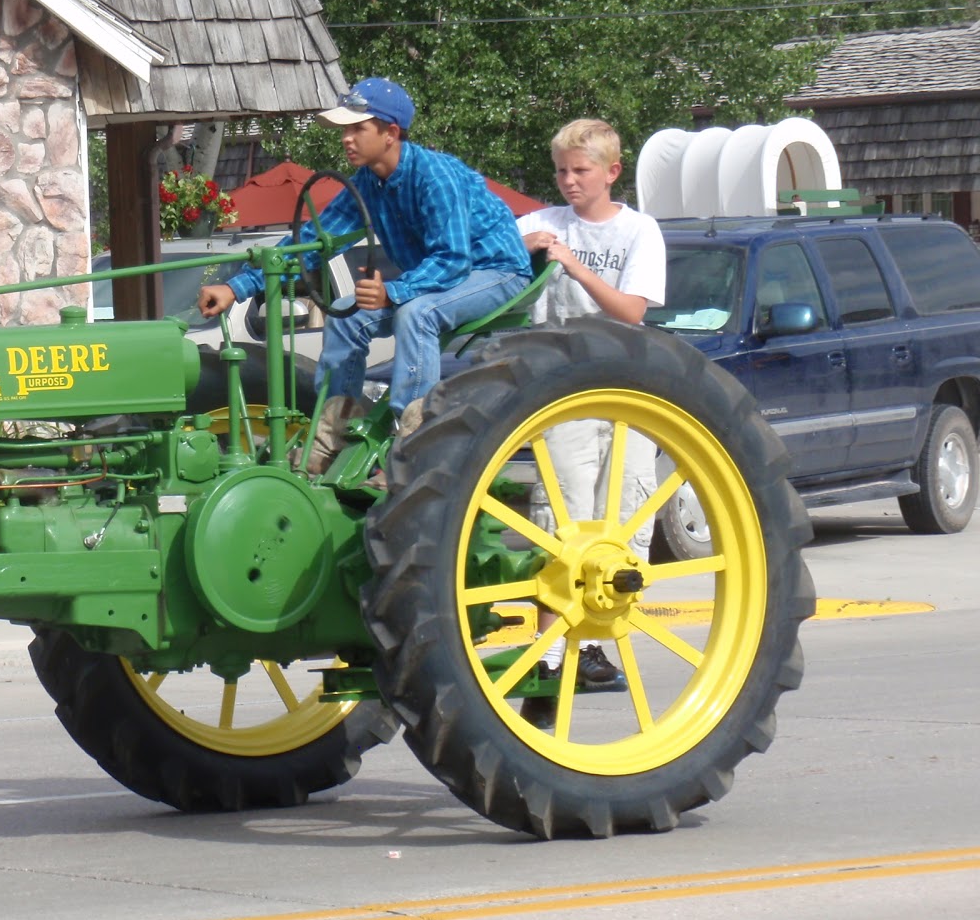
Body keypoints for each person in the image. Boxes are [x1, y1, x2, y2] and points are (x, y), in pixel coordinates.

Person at [197, 77, 531, 463]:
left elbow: (453, 261)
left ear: (390, 133)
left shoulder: (435, 176)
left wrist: (393, 292)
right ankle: (334, 433)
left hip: (496, 270)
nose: (346, 138)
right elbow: (312, 242)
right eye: (345, 130)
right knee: (346, 311)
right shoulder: (368, 184)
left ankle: (414, 443)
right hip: (439, 278)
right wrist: (237, 288)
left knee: (416, 312)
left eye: (358, 128)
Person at [517, 118, 667, 707]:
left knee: (627, 515)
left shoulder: (639, 231)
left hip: (625, 385)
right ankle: (550, 657)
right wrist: (523, 248)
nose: (569, 181)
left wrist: (573, 264)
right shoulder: (540, 222)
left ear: (611, 172)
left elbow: (631, 312)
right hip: (564, 388)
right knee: (563, 518)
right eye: (561, 171)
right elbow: (493, 252)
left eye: (580, 170)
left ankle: (596, 642)